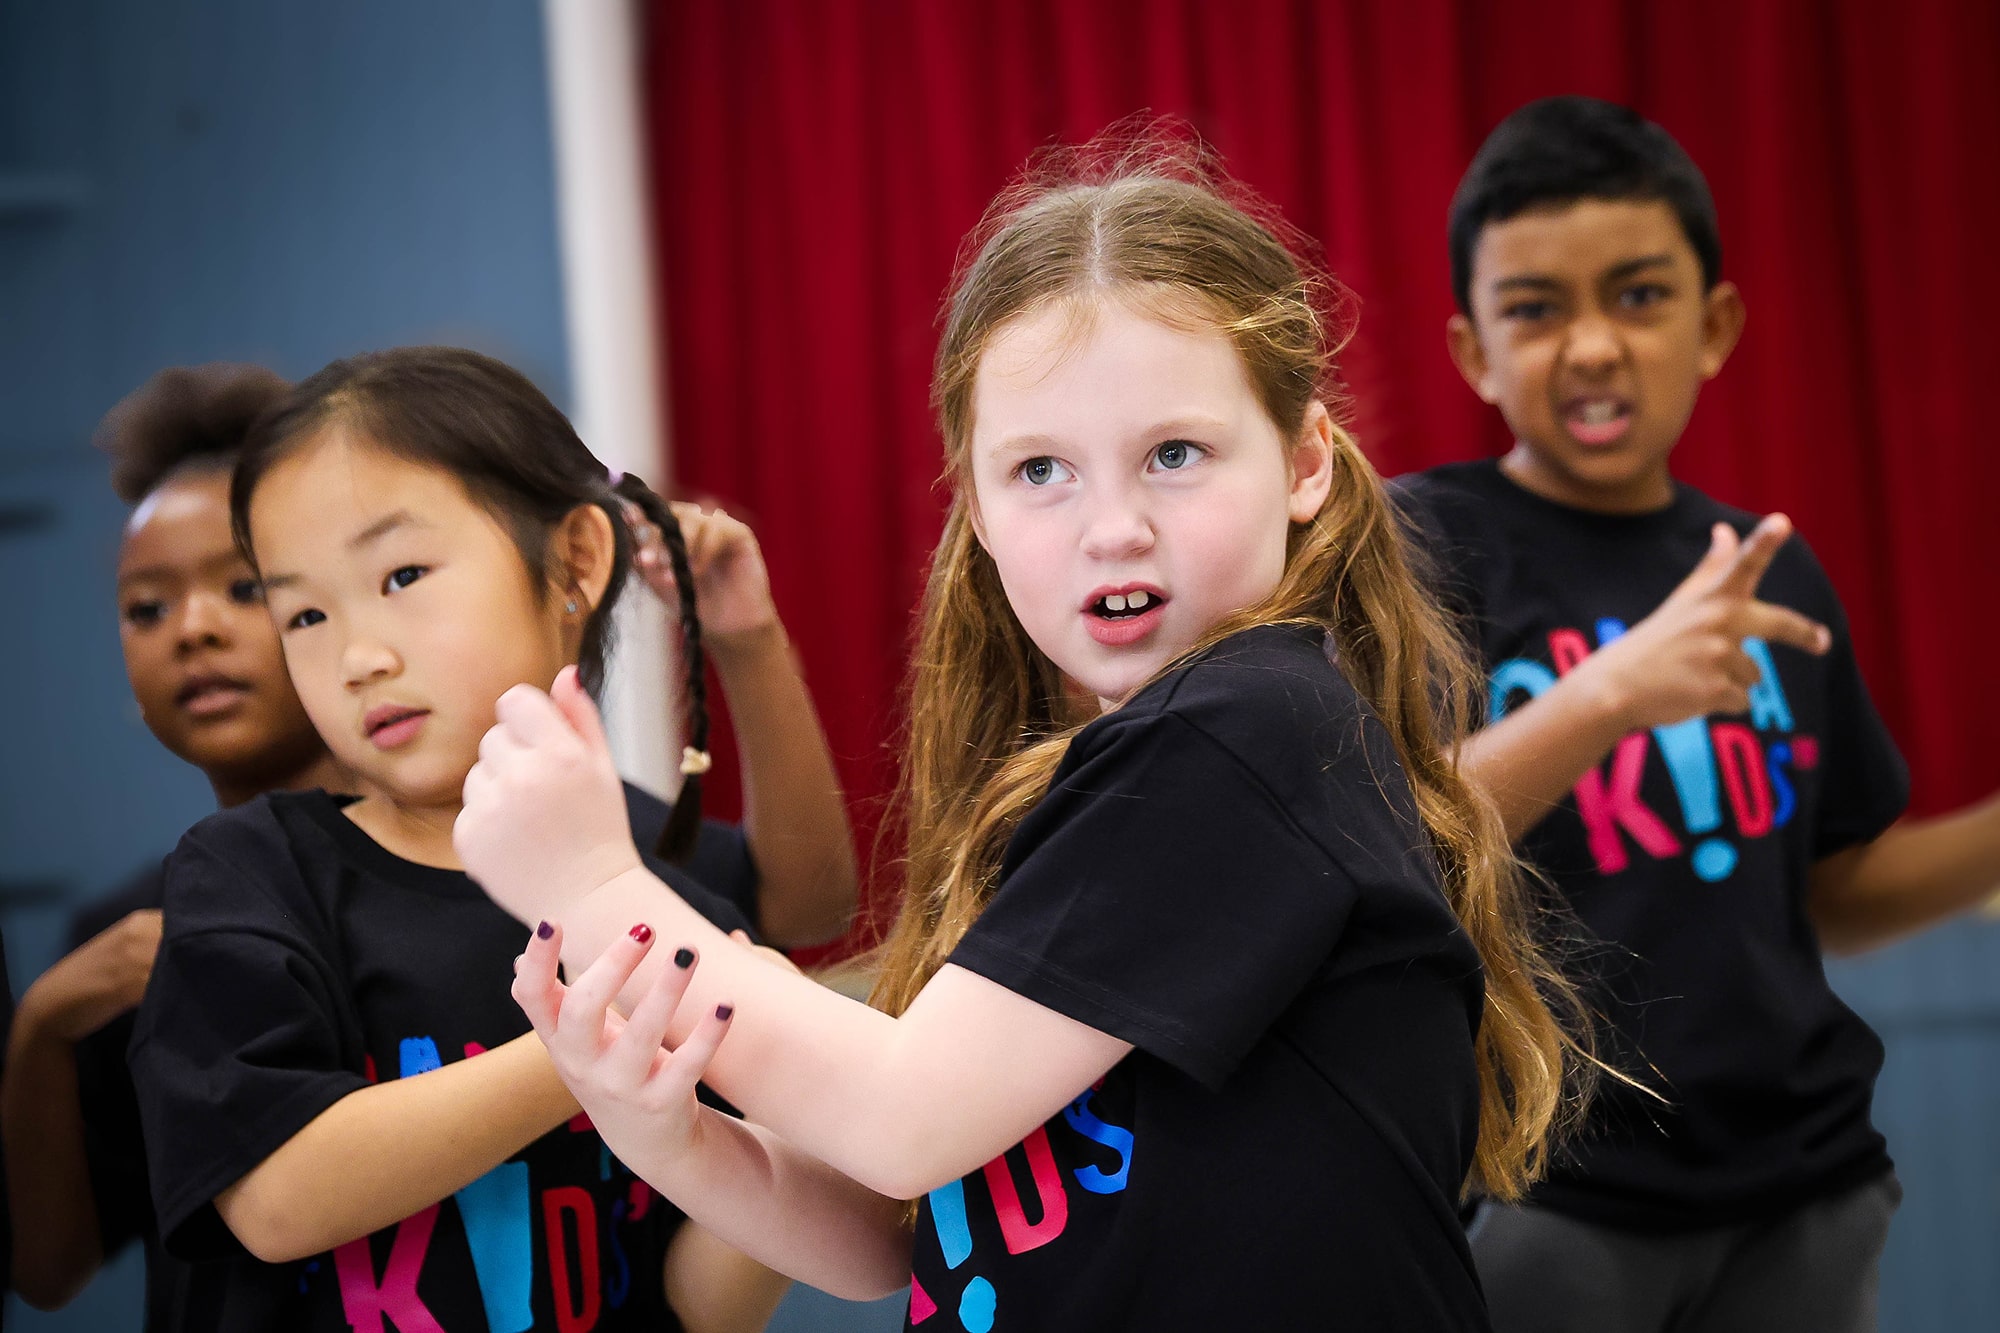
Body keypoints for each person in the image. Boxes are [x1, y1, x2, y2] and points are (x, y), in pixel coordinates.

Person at [452, 139, 1593, 1330]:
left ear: (1303, 462)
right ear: (979, 510)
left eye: (1173, 454)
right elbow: (890, 1233)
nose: (1112, 527)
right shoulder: (1124, 774)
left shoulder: (1245, 728)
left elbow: (901, 1116)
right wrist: (665, 1130)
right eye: (1041, 469)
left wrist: (591, 883)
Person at [1397, 95, 2000, 1333]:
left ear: (1712, 325)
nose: (1591, 346)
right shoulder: (1417, 550)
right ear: (1471, 351)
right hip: (1549, 1194)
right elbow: (1385, 838)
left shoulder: (1765, 570)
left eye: (1636, 295)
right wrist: (1613, 691)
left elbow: (1837, 892)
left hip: (1802, 1191)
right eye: (1534, 309)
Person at [126, 347, 818, 1331]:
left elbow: (693, 1306)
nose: (359, 656)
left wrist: (796, 1115)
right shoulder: (249, 876)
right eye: (305, 612)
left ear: (575, 563)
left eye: (402, 574)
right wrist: (593, 1044)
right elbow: (275, 1199)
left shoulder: (656, 910)